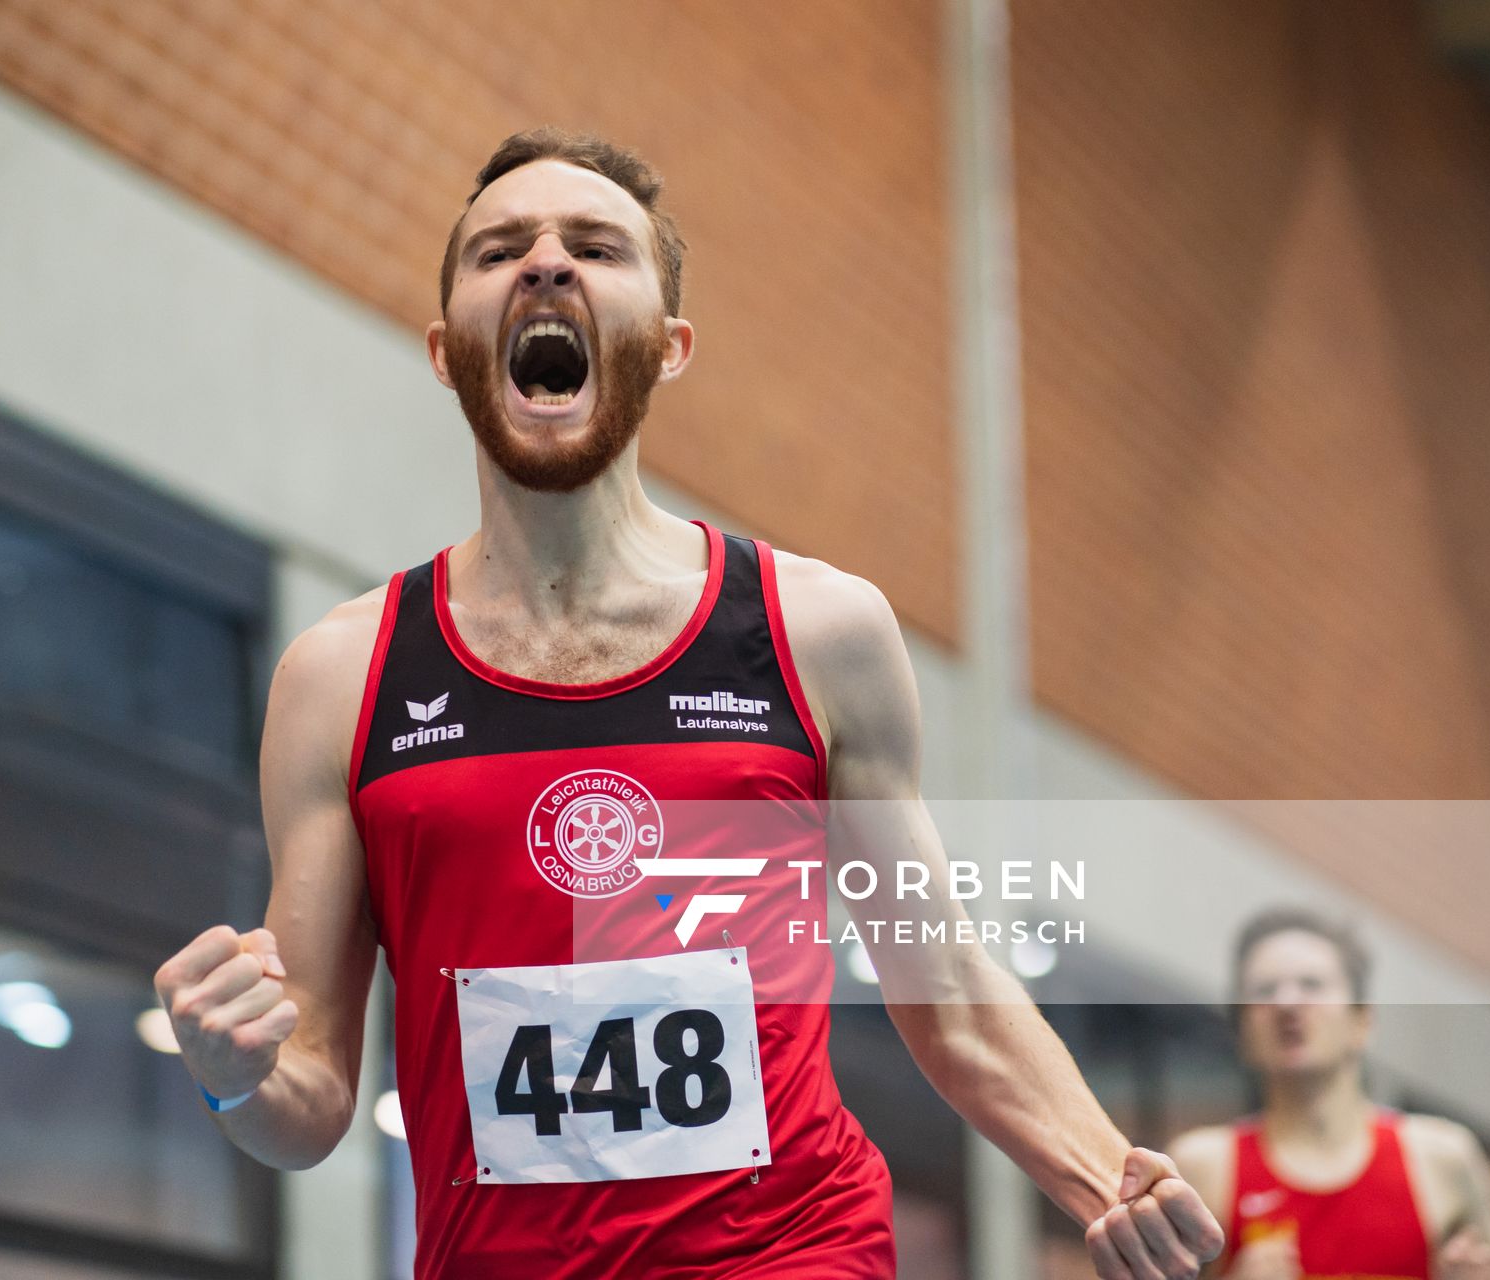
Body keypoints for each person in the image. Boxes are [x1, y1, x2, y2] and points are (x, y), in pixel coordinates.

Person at [153, 126, 1223, 1278]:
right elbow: (309, 1100)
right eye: (500, 248)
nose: (547, 263)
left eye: (597, 248)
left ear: (667, 347)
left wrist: (1102, 1174)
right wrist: (233, 1071)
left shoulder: (816, 633)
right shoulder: (342, 676)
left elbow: (945, 989)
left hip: (793, 1252)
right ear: (444, 347)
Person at [1170, 907, 1490, 1279]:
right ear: (1242, 1031)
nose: (1287, 1004)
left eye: (1311, 985)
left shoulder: (1442, 1159)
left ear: (1363, 1020)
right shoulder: (1203, 1167)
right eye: (1264, 990)